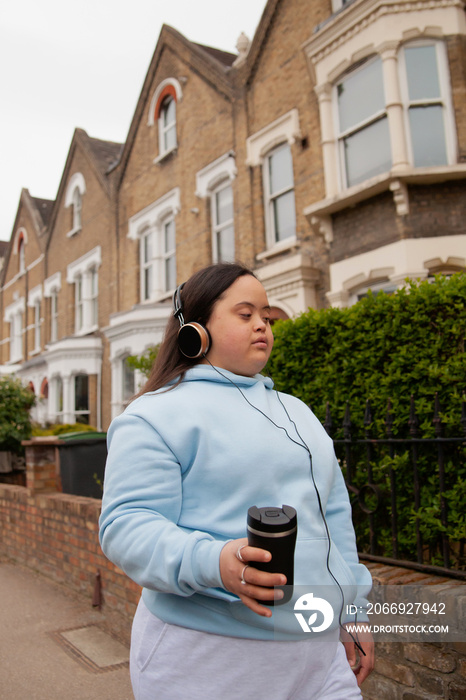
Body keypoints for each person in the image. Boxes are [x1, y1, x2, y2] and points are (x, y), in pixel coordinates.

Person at [99, 262, 374, 700]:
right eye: (245, 314)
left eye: (266, 315)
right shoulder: (154, 416)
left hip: (320, 658)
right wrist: (217, 562)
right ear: (196, 330)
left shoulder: (297, 411)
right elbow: (127, 527)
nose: (263, 324)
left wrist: (353, 613)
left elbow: (334, 519)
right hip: (209, 660)